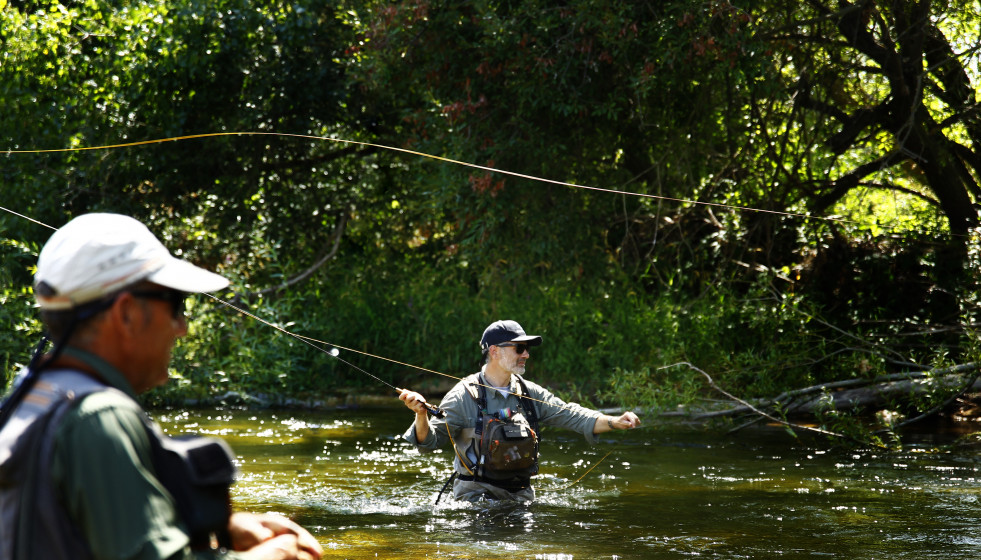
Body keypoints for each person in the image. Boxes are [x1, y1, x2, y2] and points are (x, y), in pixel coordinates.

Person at [0, 213, 323, 560]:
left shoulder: (32, 393)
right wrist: (276, 555)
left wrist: (223, 528)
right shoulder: (99, 416)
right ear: (126, 314)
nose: (181, 327)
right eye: (174, 305)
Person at [399, 319, 641, 502]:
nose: (526, 354)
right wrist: (421, 415)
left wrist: (614, 421)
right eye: (519, 348)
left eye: (526, 348)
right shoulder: (463, 396)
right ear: (494, 351)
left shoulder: (529, 393)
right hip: (475, 501)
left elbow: (571, 414)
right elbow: (428, 441)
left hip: (521, 497)